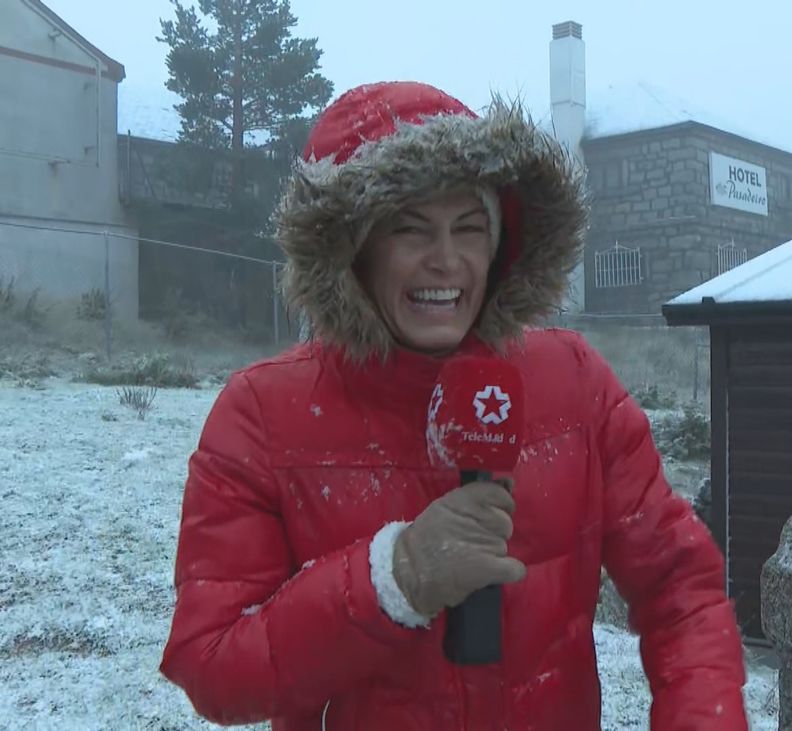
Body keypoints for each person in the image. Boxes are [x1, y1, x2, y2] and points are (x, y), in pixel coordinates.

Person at [158, 81, 748, 730]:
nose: (446, 261)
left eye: (469, 229)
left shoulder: (575, 380)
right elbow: (212, 663)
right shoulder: (261, 415)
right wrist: (396, 577)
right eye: (410, 230)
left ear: (500, 247)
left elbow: (681, 587)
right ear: (352, 250)